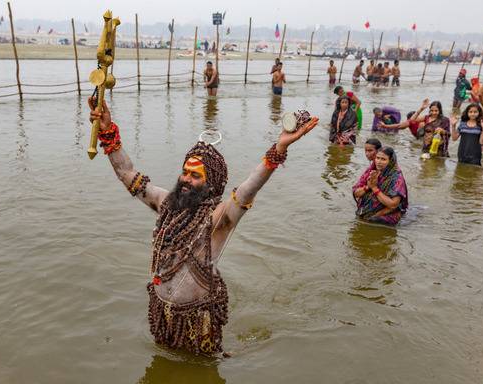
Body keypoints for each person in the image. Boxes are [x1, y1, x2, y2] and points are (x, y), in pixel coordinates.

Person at [88, 98, 319, 356]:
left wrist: (279, 148)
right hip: (161, 312)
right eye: (185, 172)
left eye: (195, 175)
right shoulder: (166, 204)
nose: (186, 179)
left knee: (201, 367)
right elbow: (127, 174)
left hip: (199, 320)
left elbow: (247, 190)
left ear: (211, 185)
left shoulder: (218, 219)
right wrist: (107, 132)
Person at [352, 147, 408, 226]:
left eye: (383, 159)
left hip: (386, 214)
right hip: (366, 211)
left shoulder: (396, 178)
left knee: (374, 222)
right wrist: (368, 187)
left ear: (391, 161)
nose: (379, 162)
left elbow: (393, 205)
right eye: (377, 158)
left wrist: (374, 188)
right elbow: (356, 194)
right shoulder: (371, 171)